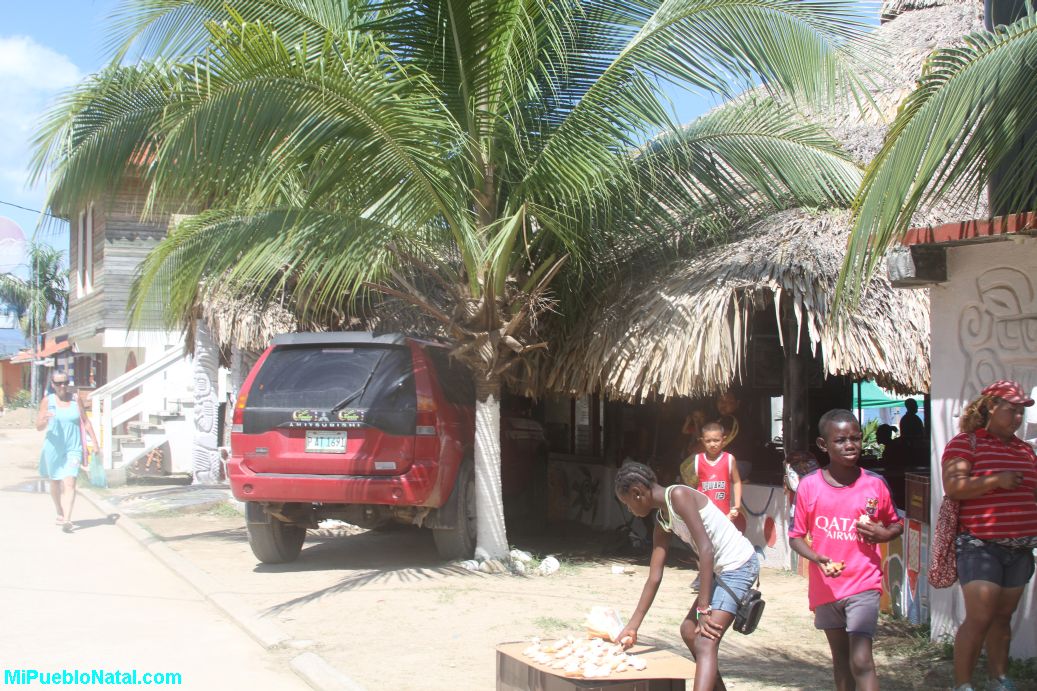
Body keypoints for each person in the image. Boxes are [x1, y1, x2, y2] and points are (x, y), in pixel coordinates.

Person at [614, 462, 758, 691]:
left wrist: (704, 609)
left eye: (627, 504)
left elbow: (706, 549)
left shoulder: (678, 495)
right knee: (689, 631)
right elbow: (654, 576)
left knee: (705, 640)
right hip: (720, 571)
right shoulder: (662, 520)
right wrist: (633, 626)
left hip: (739, 566)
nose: (630, 510)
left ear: (637, 493)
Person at [789, 409, 903, 691]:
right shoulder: (808, 486)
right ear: (822, 445)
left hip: (864, 583)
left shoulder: (874, 484)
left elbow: (896, 524)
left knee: (861, 659)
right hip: (826, 588)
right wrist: (816, 557)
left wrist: (884, 533)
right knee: (841, 660)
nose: (850, 445)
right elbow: (795, 537)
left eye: (855, 438)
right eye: (840, 440)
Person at [942, 380, 1037, 691]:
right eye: (1012, 411)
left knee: (1002, 618)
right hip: (980, 546)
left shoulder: (1025, 451)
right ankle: (963, 685)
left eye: (1021, 412)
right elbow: (954, 487)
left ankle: (999, 680)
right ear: (990, 408)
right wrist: (996, 480)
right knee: (980, 617)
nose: (1018, 418)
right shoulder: (965, 443)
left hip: (1020, 549)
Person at [36, 371, 99, 532]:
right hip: (53, 448)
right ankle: (59, 510)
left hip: (73, 448)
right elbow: (38, 427)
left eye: (65, 382)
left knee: (70, 481)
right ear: (53, 385)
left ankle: (67, 519)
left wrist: (95, 443)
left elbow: (85, 422)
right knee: (55, 481)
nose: (62, 386)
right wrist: (45, 419)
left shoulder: (75, 400)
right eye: (58, 383)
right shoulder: (47, 401)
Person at [680, 422, 742, 520]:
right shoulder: (697, 460)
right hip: (702, 515)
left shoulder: (729, 459)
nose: (712, 444)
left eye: (716, 440)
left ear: (723, 440)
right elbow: (690, 486)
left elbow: (737, 481)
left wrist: (736, 506)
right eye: (708, 441)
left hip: (725, 515)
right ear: (702, 441)